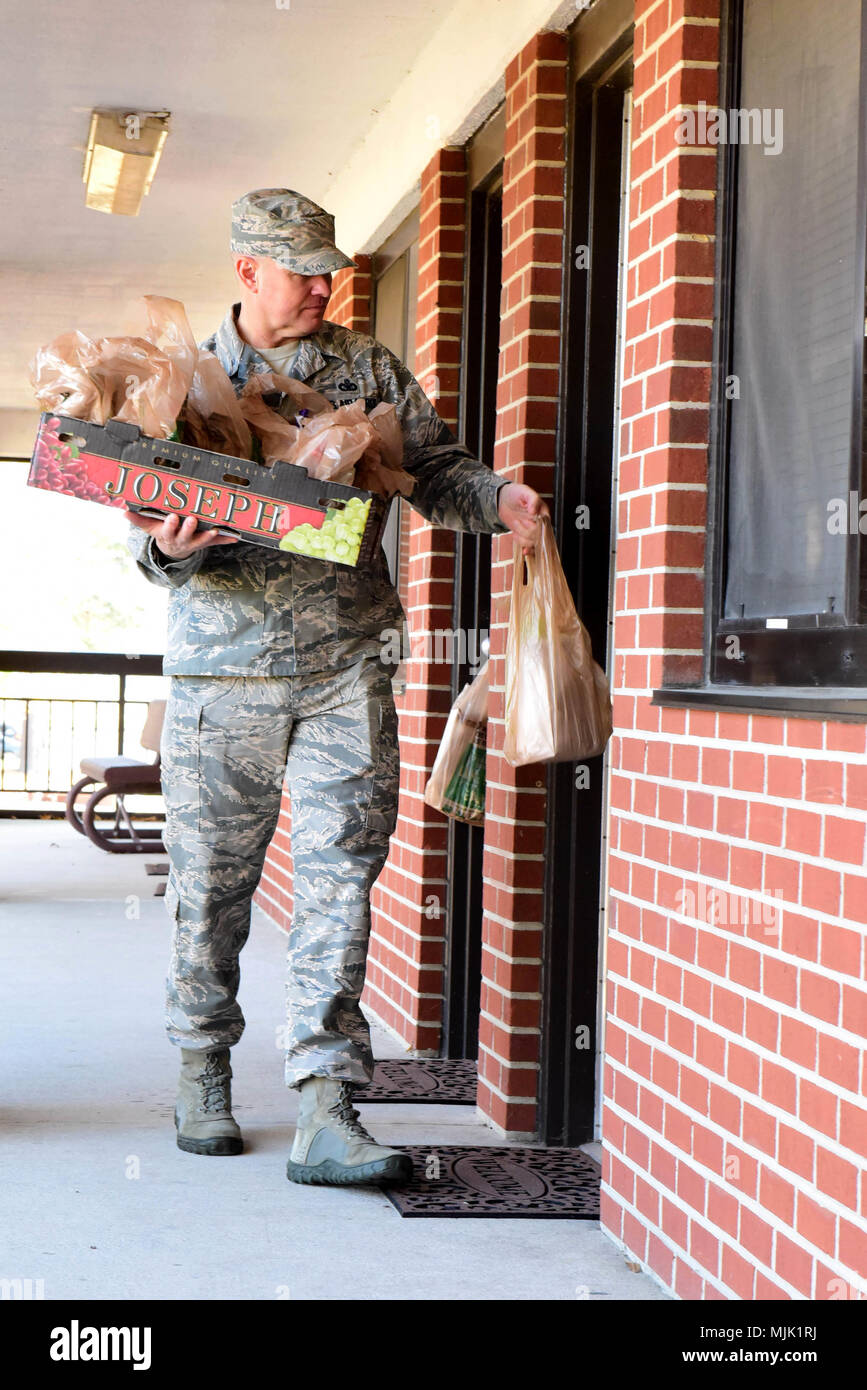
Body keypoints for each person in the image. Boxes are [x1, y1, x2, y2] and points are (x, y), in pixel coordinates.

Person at [126, 188, 548, 1188]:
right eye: (302, 269)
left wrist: (504, 498)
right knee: (210, 889)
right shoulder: (182, 377)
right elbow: (139, 523)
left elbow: (433, 469)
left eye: (330, 270)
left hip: (345, 668)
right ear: (247, 272)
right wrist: (167, 552)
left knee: (339, 882)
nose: (322, 286)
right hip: (219, 676)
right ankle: (202, 1067)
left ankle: (326, 1102)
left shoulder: (366, 369)